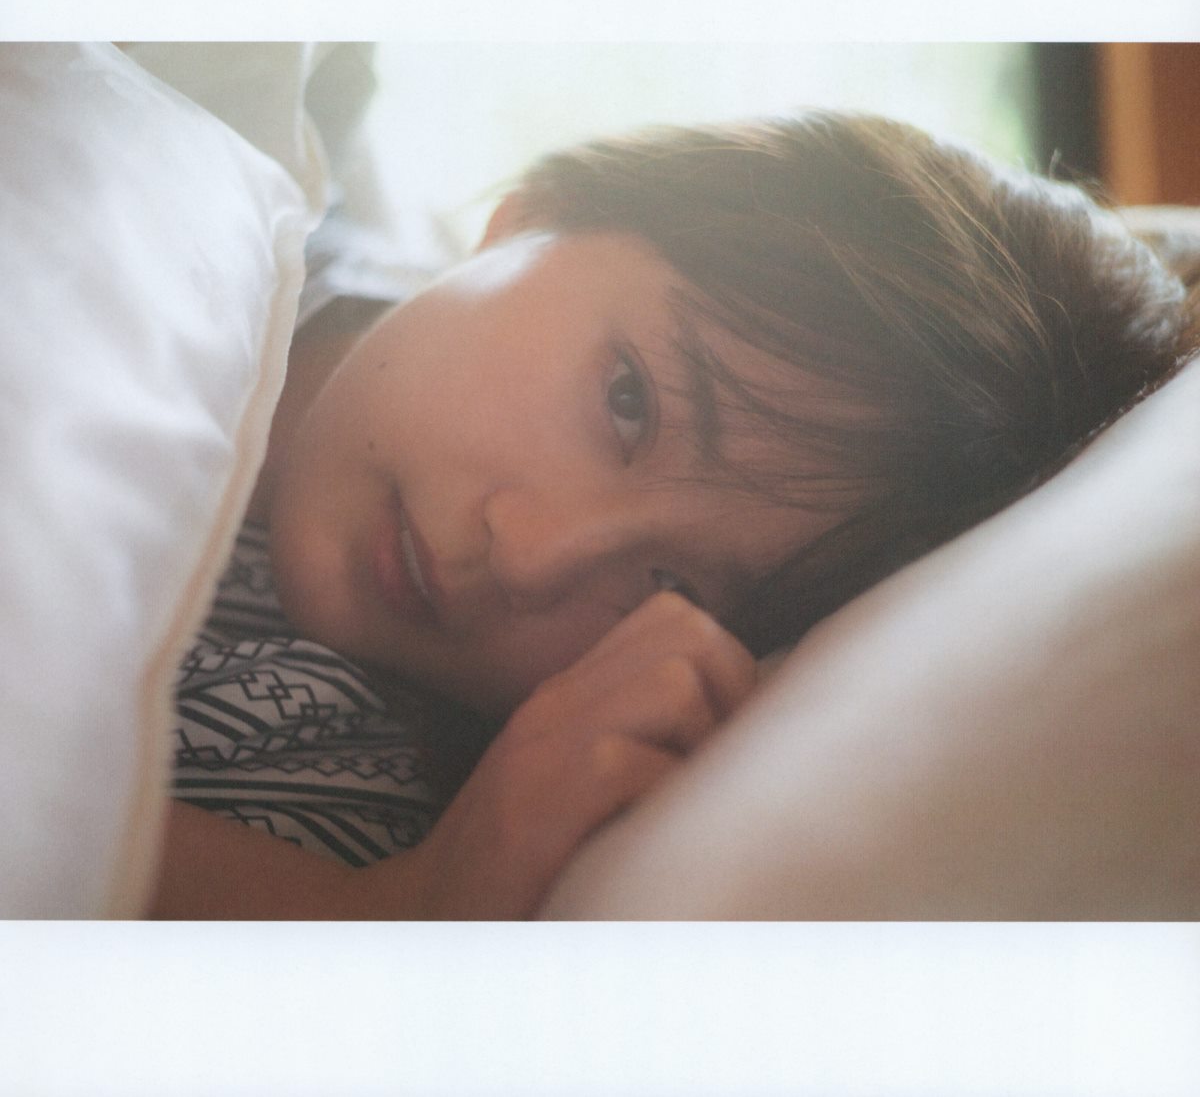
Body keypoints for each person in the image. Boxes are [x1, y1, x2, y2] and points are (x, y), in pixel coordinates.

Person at [150, 109, 1199, 919]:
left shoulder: (379, 801)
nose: (532, 555)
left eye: (671, 589)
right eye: (628, 401)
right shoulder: (202, 173)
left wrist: (389, 908)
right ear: (540, 208)